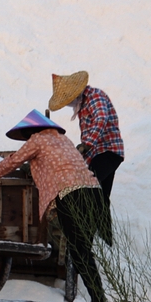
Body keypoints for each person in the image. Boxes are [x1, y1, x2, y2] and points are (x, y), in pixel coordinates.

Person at [0, 109, 107, 302]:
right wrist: (34, 168)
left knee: (78, 250)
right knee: (83, 250)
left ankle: (98, 301)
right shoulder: (63, 140)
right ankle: (98, 299)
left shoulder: (37, 140)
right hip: (93, 192)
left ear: (31, 131)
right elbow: (56, 164)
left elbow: (14, 160)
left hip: (70, 195)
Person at [48, 71, 123, 245]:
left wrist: (86, 144)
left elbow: (101, 119)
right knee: (101, 195)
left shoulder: (95, 96)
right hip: (99, 153)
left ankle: (89, 238)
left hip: (108, 152)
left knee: (87, 190)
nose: (68, 105)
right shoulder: (83, 104)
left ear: (75, 94)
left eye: (68, 101)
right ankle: (103, 240)